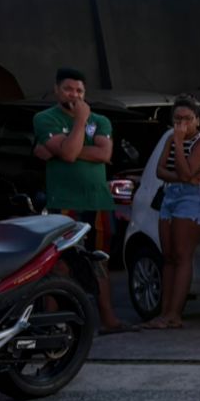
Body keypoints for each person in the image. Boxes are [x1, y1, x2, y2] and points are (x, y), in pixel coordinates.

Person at [32, 68, 129, 334]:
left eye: (79, 91)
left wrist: (63, 149)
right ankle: (50, 325)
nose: (74, 95)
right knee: (60, 262)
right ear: (56, 90)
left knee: (99, 261)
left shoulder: (101, 121)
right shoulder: (45, 118)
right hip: (64, 201)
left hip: (98, 202)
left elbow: (104, 153)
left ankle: (108, 319)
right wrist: (80, 123)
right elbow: (72, 155)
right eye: (68, 89)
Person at [146, 95, 200, 329]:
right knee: (168, 256)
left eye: (187, 118)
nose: (182, 124)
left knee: (182, 253)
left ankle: (175, 314)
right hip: (171, 196)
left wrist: (177, 144)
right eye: (177, 119)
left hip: (194, 199)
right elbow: (160, 171)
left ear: (197, 119)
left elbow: (188, 172)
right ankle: (164, 313)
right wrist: (183, 175)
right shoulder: (170, 137)